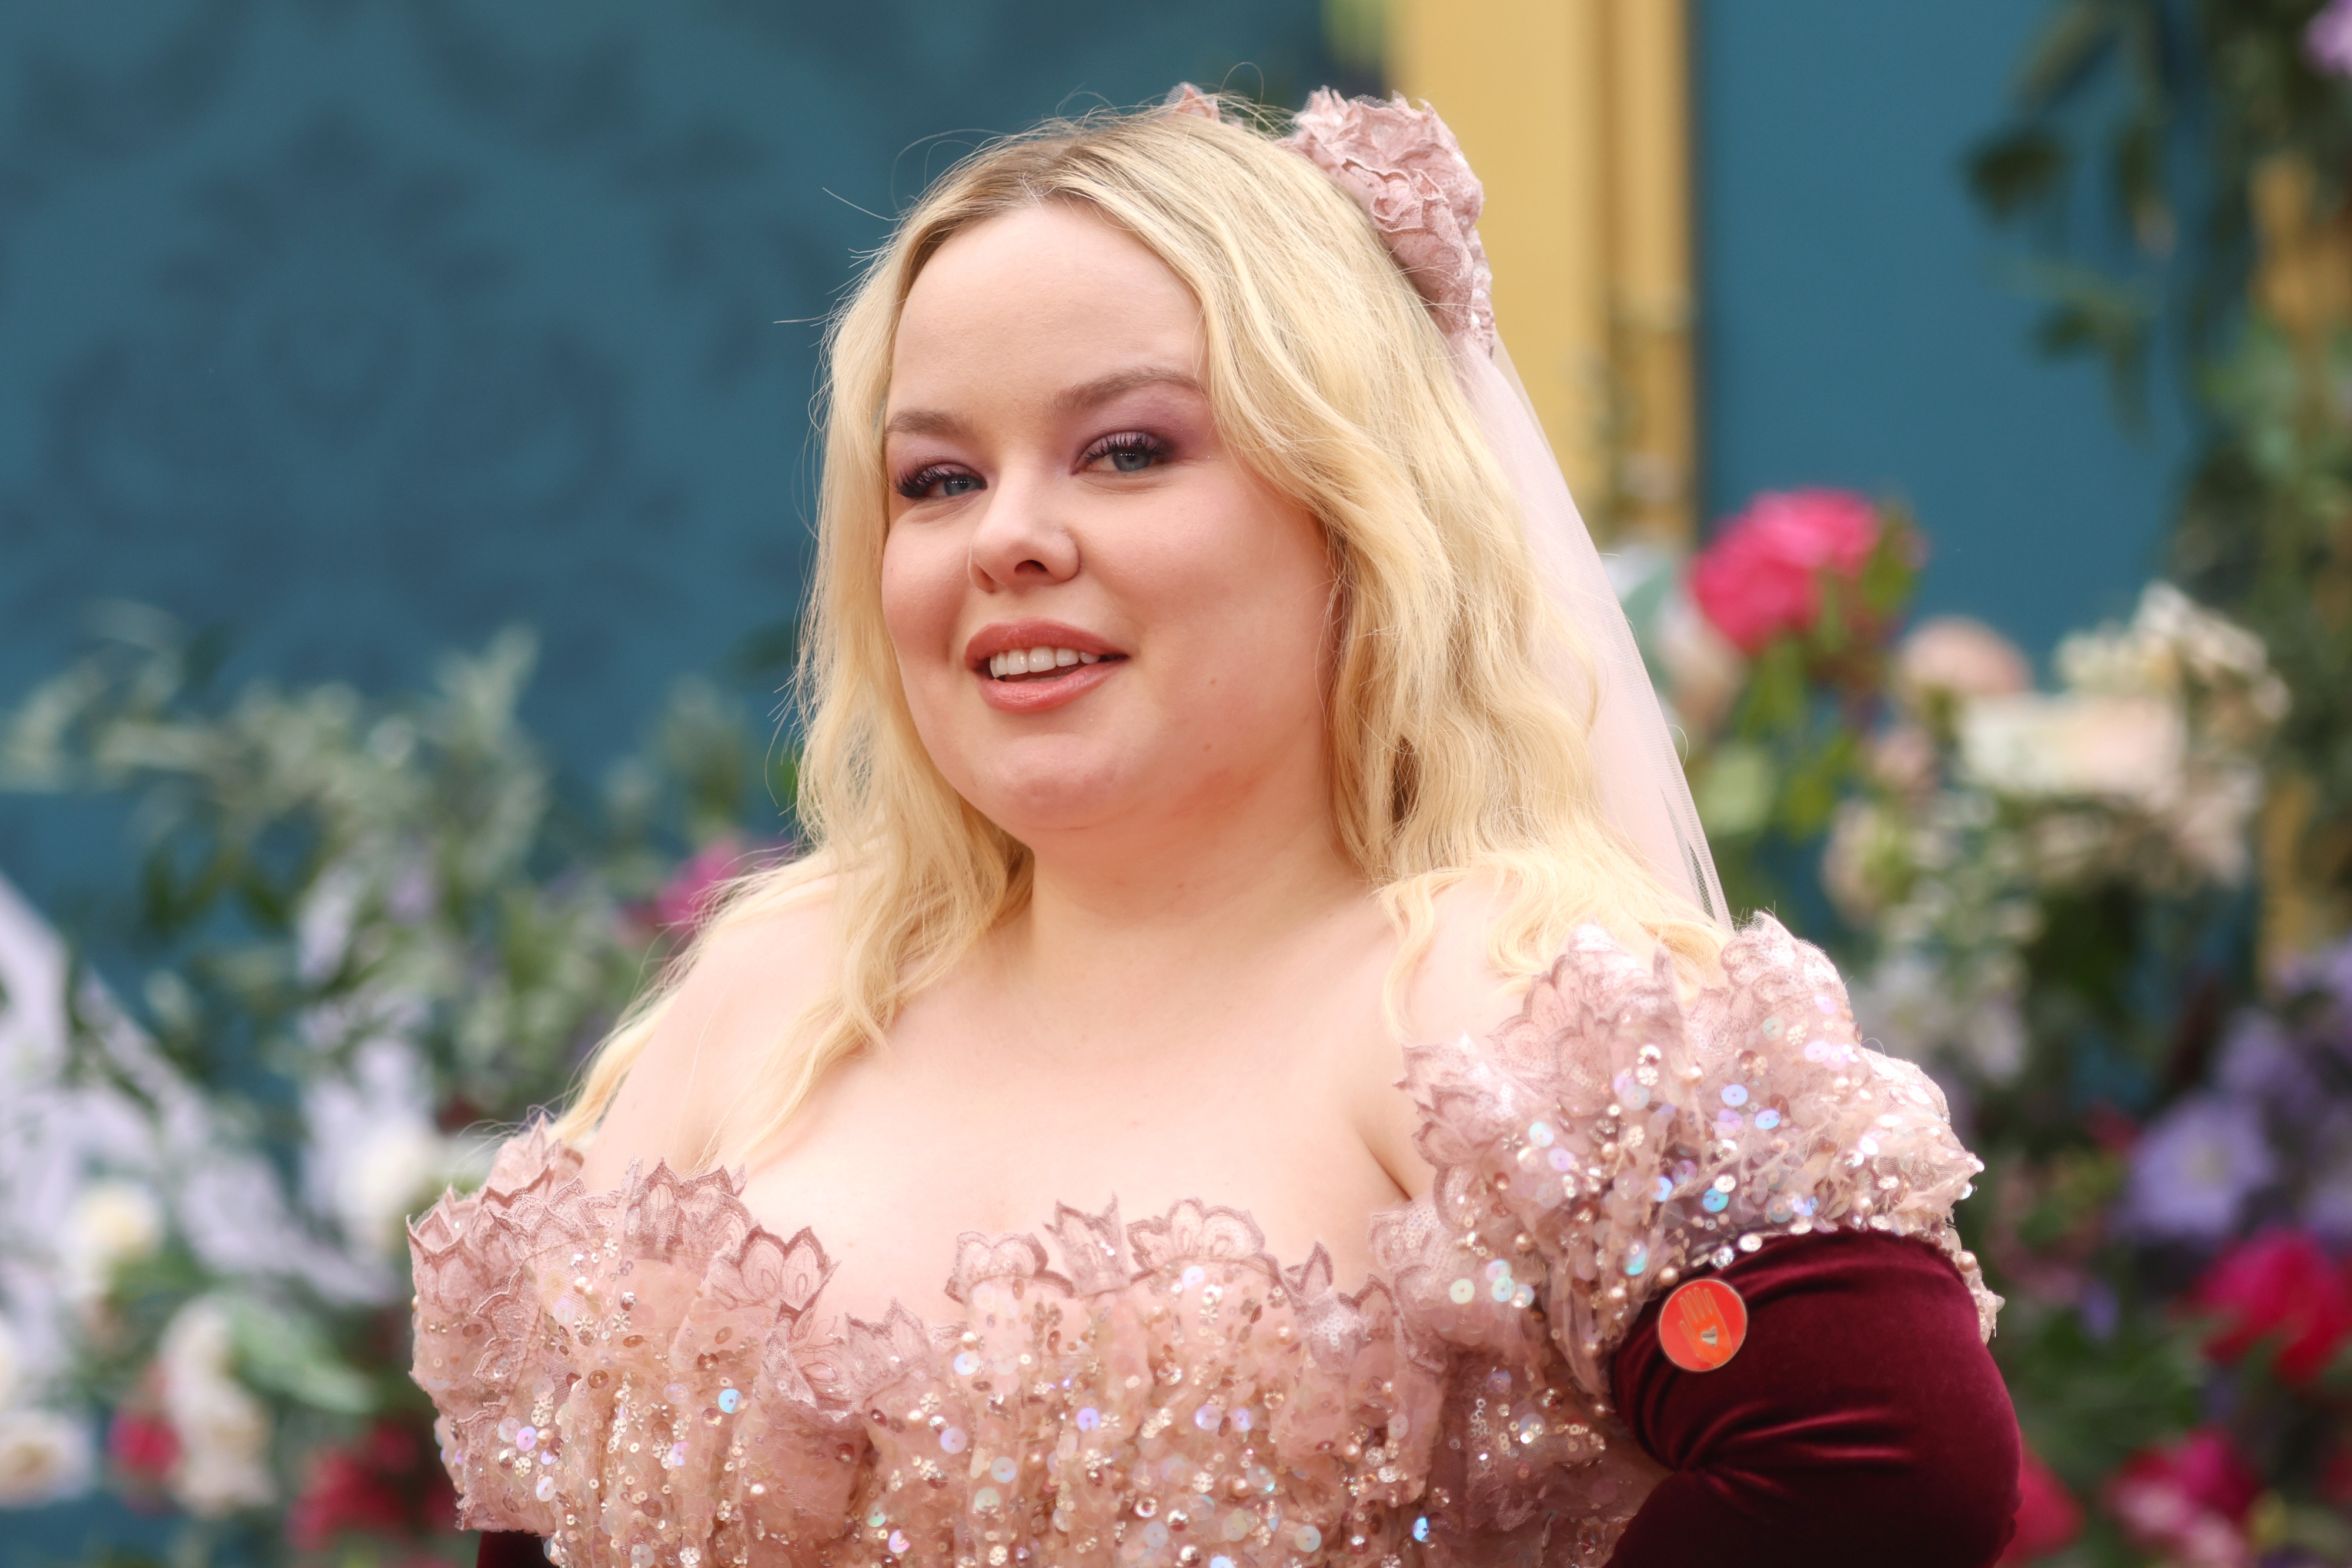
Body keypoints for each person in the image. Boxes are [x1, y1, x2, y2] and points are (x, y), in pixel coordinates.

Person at [411, 88, 2020, 1568]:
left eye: (1127, 451)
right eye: (938, 479)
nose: (1012, 538)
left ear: (1351, 507)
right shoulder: (771, 1000)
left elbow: (1890, 1462)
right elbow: (541, 1518)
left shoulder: (1502, 999)